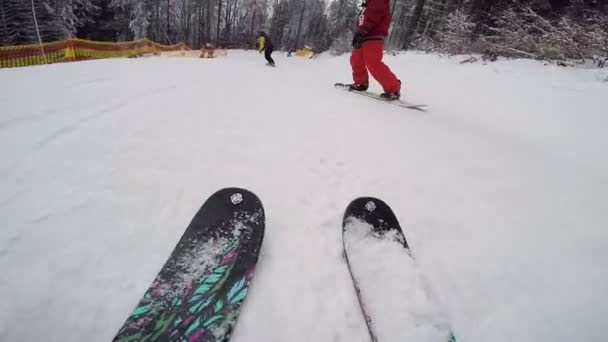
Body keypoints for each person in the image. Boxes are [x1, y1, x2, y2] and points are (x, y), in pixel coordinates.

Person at [348, 0, 401, 100]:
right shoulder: (367, 2)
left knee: (372, 62)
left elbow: (375, 13)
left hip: (374, 34)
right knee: (356, 59)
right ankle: (361, 83)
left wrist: (363, 30)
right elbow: (363, 18)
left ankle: (393, 88)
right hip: (364, 34)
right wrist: (358, 32)